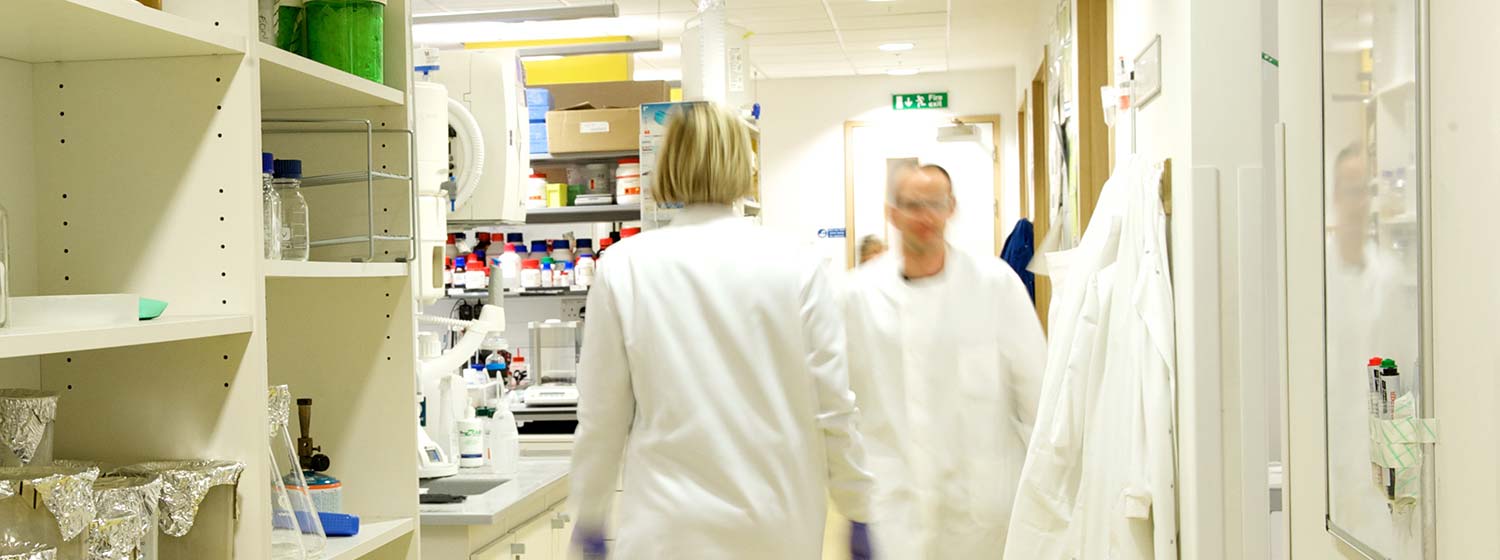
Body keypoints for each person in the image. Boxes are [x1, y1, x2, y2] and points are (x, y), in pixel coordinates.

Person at [569, 102, 874, 559]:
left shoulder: (625, 265)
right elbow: (832, 405)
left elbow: (602, 416)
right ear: (744, 167)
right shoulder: (798, 263)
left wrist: (590, 514)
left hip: (666, 529)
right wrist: (858, 505)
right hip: (777, 523)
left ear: (667, 165)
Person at [844, 163, 1047, 558]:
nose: (925, 216)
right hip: (893, 511)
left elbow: (1037, 397)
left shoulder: (995, 284)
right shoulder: (857, 296)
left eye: (935, 204)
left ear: (951, 208)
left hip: (979, 512)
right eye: (912, 205)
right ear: (892, 213)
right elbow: (835, 402)